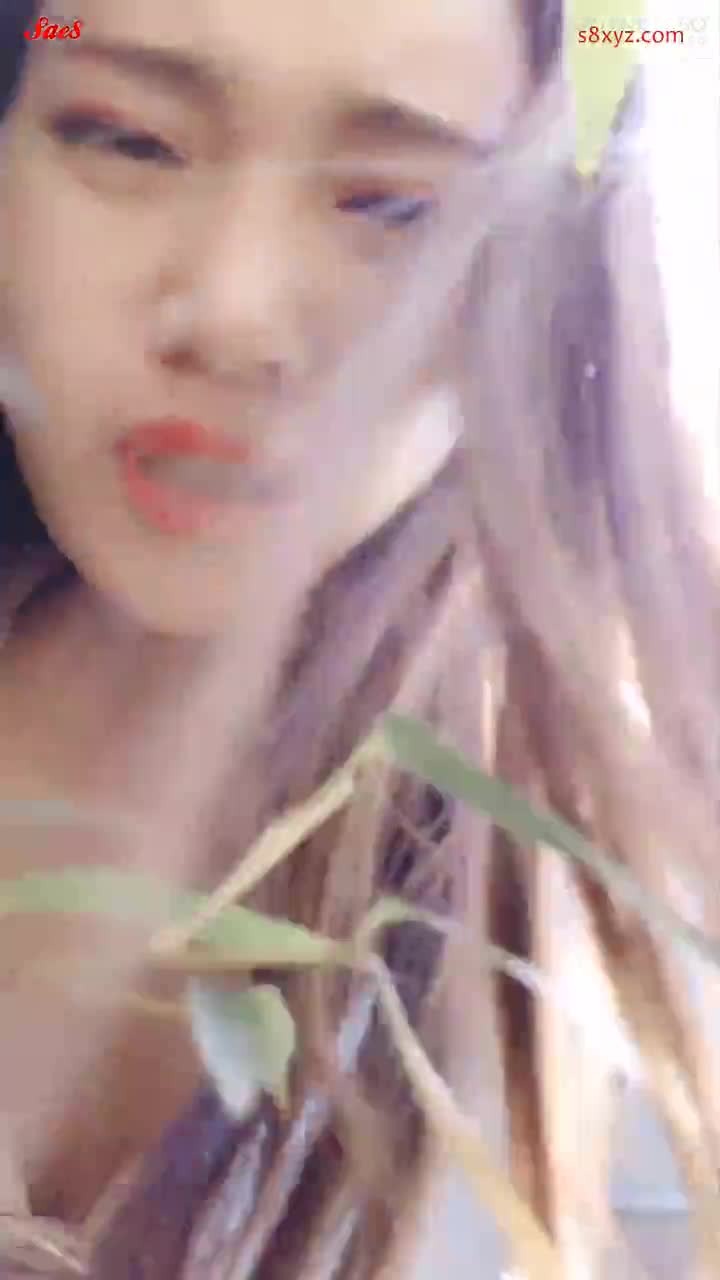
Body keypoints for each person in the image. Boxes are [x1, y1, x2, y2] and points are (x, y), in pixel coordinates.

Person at [0, 0, 718, 1276]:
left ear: (553, 270)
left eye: (396, 205)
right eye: (125, 135)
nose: (232, 314)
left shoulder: (633, 1001)